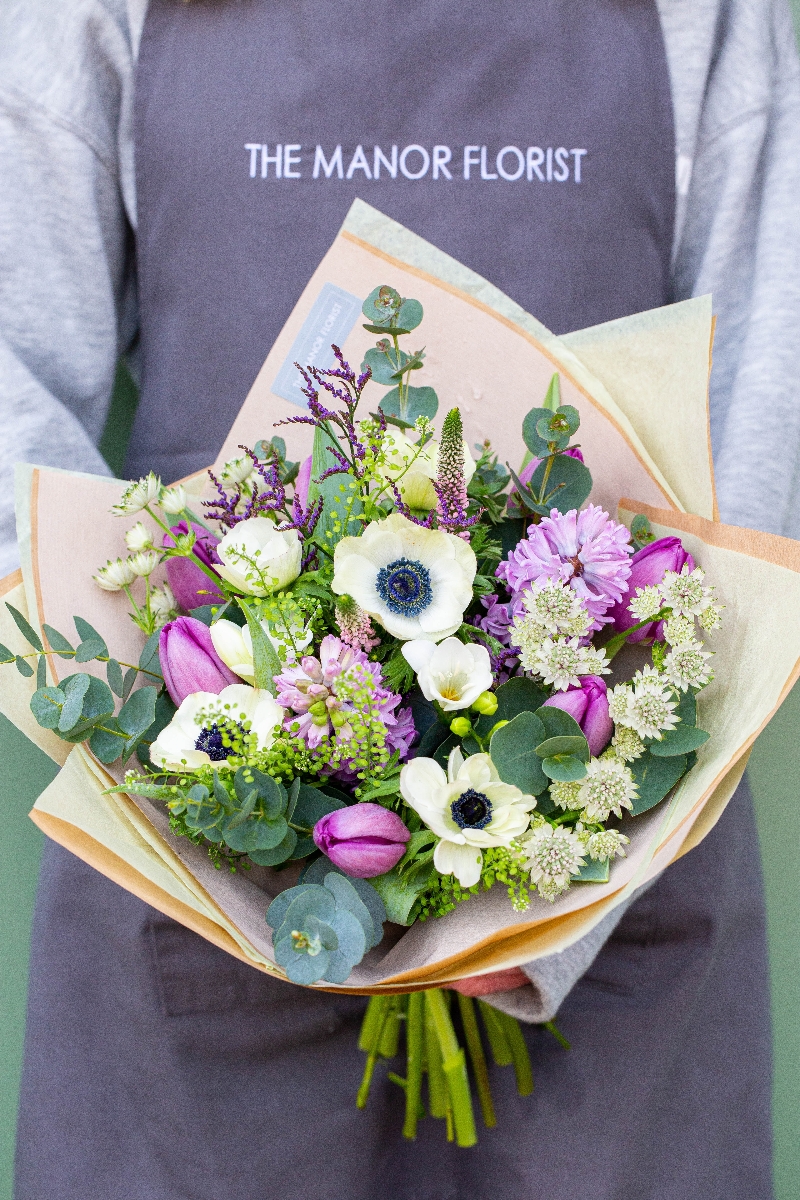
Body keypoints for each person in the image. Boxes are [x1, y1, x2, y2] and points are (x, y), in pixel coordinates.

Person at [1, 1, 798, 1196]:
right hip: (193, 860)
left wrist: (554, 891)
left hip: (617, 851)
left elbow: (763, 408)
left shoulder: (706, 18)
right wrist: (197, 764)